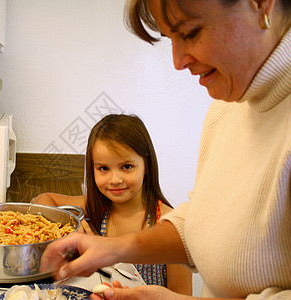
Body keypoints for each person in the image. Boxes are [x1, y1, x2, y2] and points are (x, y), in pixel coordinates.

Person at [40, 0, 291, 299]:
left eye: (191, 32)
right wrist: (113, 249)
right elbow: (203, 223)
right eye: (171, 39)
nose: (177, 61)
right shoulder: (225, 110)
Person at [31, 114, 192, 295]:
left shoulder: (169, 225)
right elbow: (43, 200)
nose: (115, 180)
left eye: (127, 166)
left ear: (146, 166)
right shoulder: (95, 206)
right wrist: (71, 229)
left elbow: (182, 293)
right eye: (104, 169)